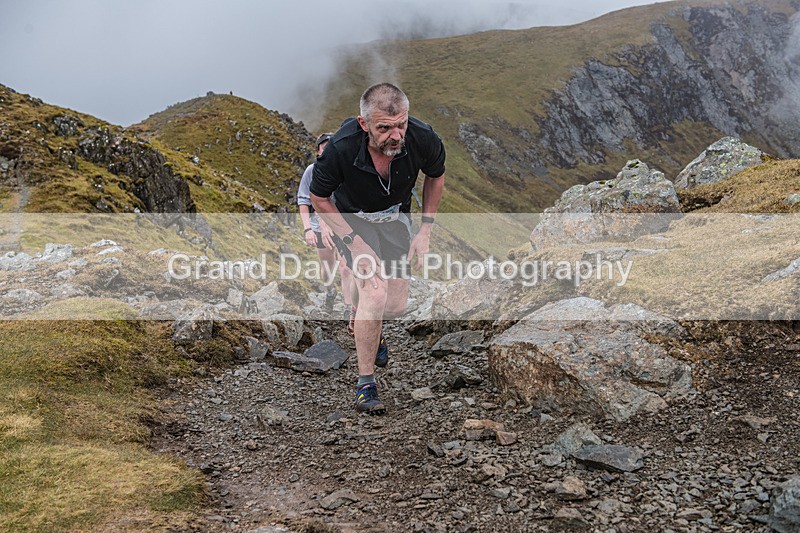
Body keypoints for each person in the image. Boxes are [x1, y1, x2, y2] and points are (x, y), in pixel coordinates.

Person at [310, 83, 446, 414]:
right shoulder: (340, 148)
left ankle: (371, 328)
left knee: (396, 305)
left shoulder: (422, 137)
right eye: (384, 128)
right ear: (364, 124)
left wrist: (426, 230)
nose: (395, 135)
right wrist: (352, 243)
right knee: (374, 292)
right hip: (353, 220)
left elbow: (436, 175)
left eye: (401, 124)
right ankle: (366, 384)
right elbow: (318, 197)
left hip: (395, 219)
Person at [297, 133, 352, 311]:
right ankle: (330, 291)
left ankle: (348, 308)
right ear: (318, 152)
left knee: (345, 267)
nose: (328, 150)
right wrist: (308, 230)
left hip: (344, 225)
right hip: (318, 227)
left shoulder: (346, 169)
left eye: (331, 146)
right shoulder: (311, 171)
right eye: (324, 147)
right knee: (327, 266)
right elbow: (304, 201)